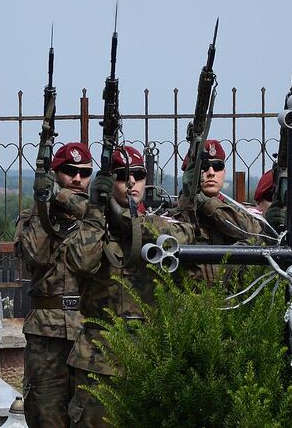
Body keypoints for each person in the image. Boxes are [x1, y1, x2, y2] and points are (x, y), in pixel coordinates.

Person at [66, 145, 195, 427]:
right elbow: (81, 262)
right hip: (99, 360)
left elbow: (185, 237)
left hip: (152, 357)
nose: (132, 181)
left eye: (138, 174)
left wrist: (126, 220)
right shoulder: (91, 226)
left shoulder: (160, 222)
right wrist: (97, 211)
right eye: (123, 176)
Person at [15, 142, 92, 428]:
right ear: (55, 174)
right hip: (47, 334)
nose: (77, 178)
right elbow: (35, 255)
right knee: (45, 415)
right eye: (69, 171)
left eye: (84, 173)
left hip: (89, 330)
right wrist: (43, 202)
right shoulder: (33, 217)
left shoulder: (97, 220)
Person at [173, 140, 270, 284]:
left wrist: (207, 203)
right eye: (204, 167)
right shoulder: (175, 214)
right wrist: (189, 198)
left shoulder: (240, 212)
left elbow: (257, 232)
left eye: (217, 166)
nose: (211, 173)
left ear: (224, 172)